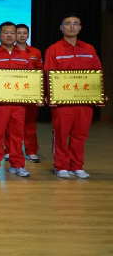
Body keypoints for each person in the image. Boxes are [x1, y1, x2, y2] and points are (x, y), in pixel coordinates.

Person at [44, 14, 102, 179]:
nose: (72, 26)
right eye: (68, 23)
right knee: (61, 135)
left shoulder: (89, 49)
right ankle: (61, 166)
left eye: (75, 24)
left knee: (80, 135)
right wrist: (49, 95)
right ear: (61, 27)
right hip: (62, 102)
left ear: (80, 28)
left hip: (84, 101)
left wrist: (100, 94)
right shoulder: (53, 49)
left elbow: (97, 73)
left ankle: (77, 166)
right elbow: (47, 74)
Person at [0, 22, 34, 177]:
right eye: (5, 32)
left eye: (12, 33)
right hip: (0, 103)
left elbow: (31, 78)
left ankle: (17, 165)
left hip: (19, 103)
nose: (9, 35)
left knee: (17, 135)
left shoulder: (25, 56)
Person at [4, 23, 42, 163]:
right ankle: (9, 150)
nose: (21, 35)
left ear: (28, 35)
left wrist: (40, 94)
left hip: (30, 93)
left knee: (30, 124)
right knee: (10, 124)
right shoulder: (9, 52)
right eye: (18, 33)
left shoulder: (35, 52)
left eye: (24, 33)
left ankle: (31, 151)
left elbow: (40, 73)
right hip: (12, 93)